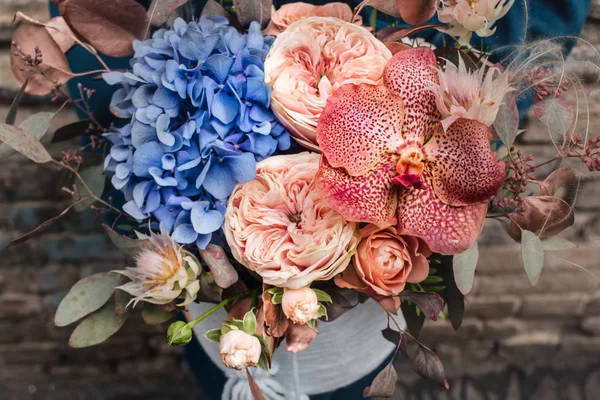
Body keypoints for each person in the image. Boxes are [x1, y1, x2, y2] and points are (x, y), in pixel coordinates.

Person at [49, 0, 592, 398]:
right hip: (202, 212)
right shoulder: (359, 153)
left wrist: (474, 96)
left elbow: (544, 13)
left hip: (367, 289)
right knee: (218, 365)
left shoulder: (423, 155)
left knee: (347, 380)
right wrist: (111, 115)